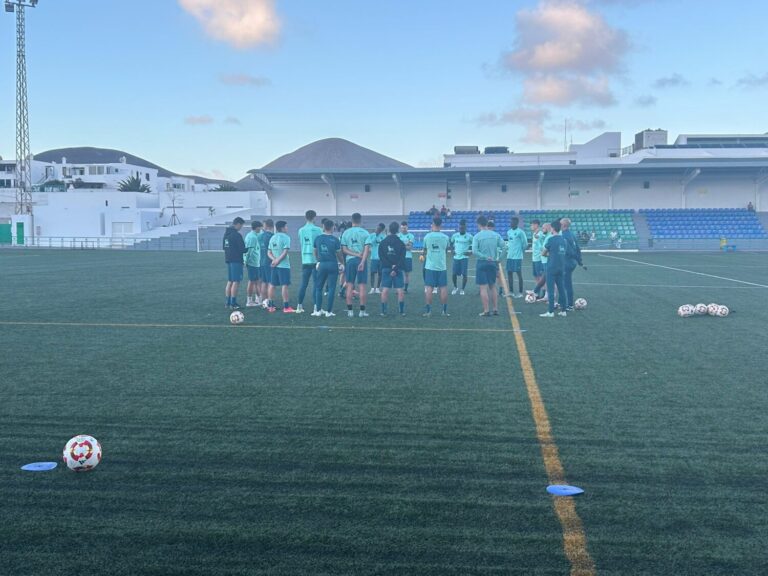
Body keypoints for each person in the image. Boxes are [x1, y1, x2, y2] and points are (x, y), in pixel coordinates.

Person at [472, 215, 504, 316]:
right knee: (492, 286)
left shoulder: (477, 236)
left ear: (478, 224)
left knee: (483, 288)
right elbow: (505, 247)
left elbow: (474, 251)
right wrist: (499, 259)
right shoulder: (496, 235)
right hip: (493, 263)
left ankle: (486, 310)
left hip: (482, 262)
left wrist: (484, 257)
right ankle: (495, 309)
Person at [341, 212, 371, 317]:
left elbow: (344, 250)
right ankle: (362, 312)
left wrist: (354, 254)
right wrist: (362, 261)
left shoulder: (345, 233)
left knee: (349, 285)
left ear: (352, 220)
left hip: (350, 261)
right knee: (362, 286)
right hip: (361, 261)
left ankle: (350, 312)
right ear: (360, 220)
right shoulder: (365, 233)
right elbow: (367, 250)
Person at [313, 218, 344, 317]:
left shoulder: (318, 238)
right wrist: (342, 263)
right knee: (331, 288)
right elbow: (339, 254)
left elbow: (315, 251)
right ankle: (329, 312)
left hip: (322, 264)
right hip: (332, 265)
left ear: (323, 227)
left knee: (318, 288)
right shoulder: (335, 240)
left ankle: (318, 310)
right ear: (332, 227)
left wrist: (318, 260)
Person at [422, 217, 450, 317]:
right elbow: (446, 250)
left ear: (433, 224)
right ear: (441, 225)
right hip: (442, 267)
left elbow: (424, 251)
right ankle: (444, 311)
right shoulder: (446, 237)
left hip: (430, 267)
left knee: (429, 288)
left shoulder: (427, 237)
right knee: (443, 288)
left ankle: (429, 311)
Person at [296, 210, 323, 314]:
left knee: (303, 284)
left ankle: (299, 306)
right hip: (316, 260)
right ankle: (316, 307)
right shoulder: (319, 230)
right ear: (314, 217)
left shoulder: (301, 230)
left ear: (305, 217)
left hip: (305, 259)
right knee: (316, 284)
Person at [378, 221, 407, 316]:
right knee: (400, 290)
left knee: (385, 290)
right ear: (398, 230)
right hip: (397, 269)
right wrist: (394, 268)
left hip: (386, 269)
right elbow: (402, 258)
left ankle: (383, 311)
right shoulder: (401, 243)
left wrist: (390, 267)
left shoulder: (383, 243)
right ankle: (402, 311)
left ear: (389, 230)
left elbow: (381, 257)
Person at [540, 220, 567, 318]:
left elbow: (543, 253)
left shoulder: (551, 240)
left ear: (553, 228)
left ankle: (550, 312)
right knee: (562, 289)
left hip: (551, 267)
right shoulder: (564, 240)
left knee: (551, 290)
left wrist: (550, 254)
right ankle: (564, 310)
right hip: (561, 267)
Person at [267, 220, 294, 313]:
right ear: (282, 228)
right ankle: (286, 307)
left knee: (272, 285)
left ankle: (270, 307)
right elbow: (285, 251)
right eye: (286, 226)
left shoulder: (272, 237)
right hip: (283, 266)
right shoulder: (286, 237)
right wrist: (278, 260)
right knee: (284, 285)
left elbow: (269, 252)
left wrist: (274, 260)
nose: (287, 228)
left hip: (274, 265)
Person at [223, 217, 247, 309]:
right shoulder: (237, 235)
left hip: (228, 259)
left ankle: (227, 302)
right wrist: (248, 248)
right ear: (238, 224)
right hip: (236, 261)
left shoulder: (226, 234)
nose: (241, 227)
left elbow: (224, 247)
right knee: (236, 282)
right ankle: (233, 303)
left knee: (230, 281)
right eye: (241, 225)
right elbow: (242, 249)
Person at [561, 217, 584, 311]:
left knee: (566, 284)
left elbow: (569, 251)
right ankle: (562, 303)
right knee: (564, 283)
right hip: (572, 262)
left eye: (560, 223)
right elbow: (578, 248)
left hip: (567, 262)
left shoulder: (564, 235)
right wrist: (579, 261)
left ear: (564, 225)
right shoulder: (571, 234)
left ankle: (569, 305)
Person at [505, 217, 528, 298]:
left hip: (517, 257)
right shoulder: (509, 232)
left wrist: (520, 251)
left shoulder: (520, 232)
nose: (510, 224)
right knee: (509, 273)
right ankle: (511, 291)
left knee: (519, 274)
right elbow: (509, 243)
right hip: (509, 256)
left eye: (512, 222)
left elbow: (525, 244)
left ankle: (520, 292)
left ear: (516, 223)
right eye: (510, 222)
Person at [450, 219, 473, 295]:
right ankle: (455, 287)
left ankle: (462, 289)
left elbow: (474, 245)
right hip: (456, 257)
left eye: (463, 228)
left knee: (464, 274)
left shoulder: (469, 236)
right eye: (460, 228)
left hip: (464, 258)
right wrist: (452, 251)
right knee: (454, 274)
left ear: (465, 228)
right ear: (458, 227)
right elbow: (451, 243)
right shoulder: (455, 235)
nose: (461, 229)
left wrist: (470, 252)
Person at [244, 220, 263, 307]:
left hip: (255, 262)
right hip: (252, 263)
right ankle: (249, 301)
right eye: (260, 227)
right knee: (252, 281)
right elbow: (249, 251)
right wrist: (246, 261)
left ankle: (257, 299)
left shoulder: (253, 235)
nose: (261, 229)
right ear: (257, 227)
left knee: (256, 281)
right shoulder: (252, 237)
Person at [258, 219, 274, 307]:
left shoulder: (260, 236)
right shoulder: (272, 236)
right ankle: (268, 301)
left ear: (267, 226)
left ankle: (264, 301)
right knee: (270, 283)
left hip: (261, 262)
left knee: (263, 282)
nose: (262, 227)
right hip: (269, 262)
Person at [367, 223, 386, 294]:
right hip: (373, 258)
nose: (377, 229)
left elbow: (384, 247)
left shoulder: (384, 237)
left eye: (379, 229)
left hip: (381, 258)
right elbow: (370, 244)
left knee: (380, 273)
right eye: (377, 228)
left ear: (382, 230)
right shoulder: (371, 235)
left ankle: (378, 288)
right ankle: (372, 288)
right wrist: (375, 235)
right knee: (372, 272)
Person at [527, 219, 543, 299]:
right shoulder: (535, 233)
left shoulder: (540, 234)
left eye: (532, 225)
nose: (531, 226)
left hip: (539, 258)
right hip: (534, 258)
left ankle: (543, 293)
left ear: (536, 225)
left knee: (540, 276)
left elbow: (541, 246)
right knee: (536, 276)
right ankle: (537, 292)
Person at [398, 221, 415, 293]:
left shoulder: (411, 236)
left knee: (406, 274)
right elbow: (397, 247)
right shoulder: (398, 235)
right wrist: (406, 245)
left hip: (408, 257)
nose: (403, 229)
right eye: (402, 228)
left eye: (405, 228)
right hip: (399, 257)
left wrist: (402, 246)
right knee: (398, 273)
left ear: (407, 228)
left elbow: (410, 248)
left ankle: (405, 289)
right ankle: (399, 288)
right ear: (400, 228)